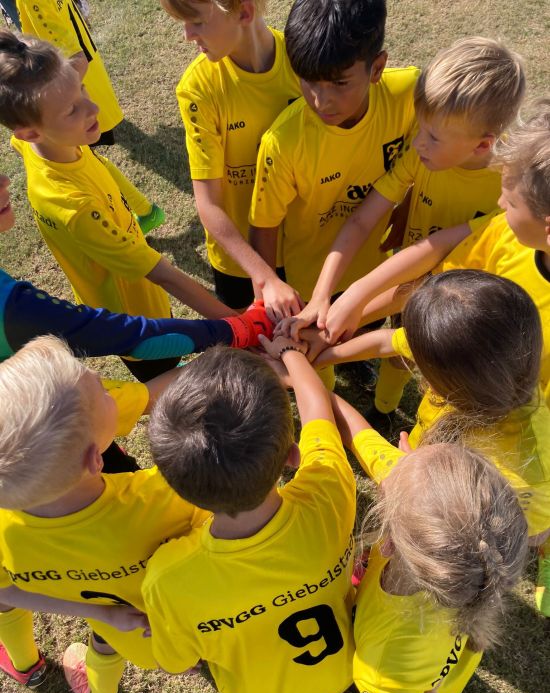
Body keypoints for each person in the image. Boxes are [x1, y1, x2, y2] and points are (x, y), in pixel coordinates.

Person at [287, 36, 525, 423]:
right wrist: (323, 295)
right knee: (397, 356)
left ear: (482, 145)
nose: (417, 143)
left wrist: (353, 307)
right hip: (409, 287)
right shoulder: (421, 155)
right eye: (420, 129)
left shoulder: (512, 191)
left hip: (464, 309)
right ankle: (383, 411)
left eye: (432, 136)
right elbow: (363, 218)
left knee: (440, 377)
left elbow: (434, 262)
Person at [0, 29, 238, 381]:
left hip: (143, 295)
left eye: (82, 90)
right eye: (71, 110)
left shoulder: (36, 141)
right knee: (178, 385)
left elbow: (44, 94)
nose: (93, 108)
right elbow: (161, 272)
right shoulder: (73, 205)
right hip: (134, 320)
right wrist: (237, 324)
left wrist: (63, 86)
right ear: (31, 132)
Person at [0, 336, 211, 693]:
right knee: (115, 645)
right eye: (103, 390)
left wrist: (100, 612)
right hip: (165, 627)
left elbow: (4, 591)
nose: (100, 377)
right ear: (97, 459)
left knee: (104, 637)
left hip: (116, 623)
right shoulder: (162, 495)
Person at [315, 270, 550, 617]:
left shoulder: (520, 469)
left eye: (420, 368)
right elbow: (387, 342)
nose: (416, 373)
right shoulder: (485, 351)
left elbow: (515, 528)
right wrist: (320, 357)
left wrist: (416, 478)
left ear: (449, 383)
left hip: (478, 518)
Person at [142, 343, 356, 693]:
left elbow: (177, 662)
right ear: (293, 454)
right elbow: (319, 412)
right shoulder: (330, 493)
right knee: (322, 691)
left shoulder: (167, 578)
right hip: (342, 671)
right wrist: (290, 353)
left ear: (177, 488)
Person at [329, 393, 528, 693]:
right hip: (434, 674)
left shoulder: (381, 671)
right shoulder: (465, 560)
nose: (395, 464)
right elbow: (358, 434)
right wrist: (297, 368)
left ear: (389, 541)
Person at [248, 0, 418, 308]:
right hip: (310, 290)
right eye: (309, 81)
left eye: (339, 84)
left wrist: (408, 205)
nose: (321, 101)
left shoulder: (411, 95)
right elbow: (264, 227)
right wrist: (268, 298)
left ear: (377, 68)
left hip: (377, 278)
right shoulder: (283, 142)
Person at [0, 173, 272, 361]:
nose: (4, 181)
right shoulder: (13, 307)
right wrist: (238, 329)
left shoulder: (60, 151)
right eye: (70, 109)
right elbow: (121, 336)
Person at [161, 0, 303, 317]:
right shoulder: (198, 89)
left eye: (195, 21)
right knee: (255, 351)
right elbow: (208, 203)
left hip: (304, 247)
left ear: (245, 12)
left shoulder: (303, 61)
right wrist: (263, 276)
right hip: (240, 262)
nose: (186, 35)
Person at [15, 0, 123, 145]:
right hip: (77, 81)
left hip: (85, 73)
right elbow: (76, 61)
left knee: (95, 121)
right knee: (85, 136)